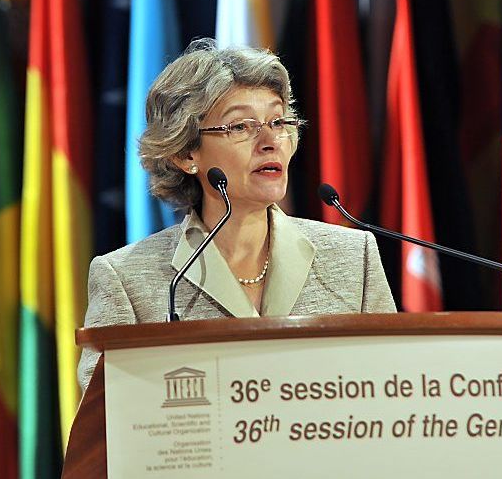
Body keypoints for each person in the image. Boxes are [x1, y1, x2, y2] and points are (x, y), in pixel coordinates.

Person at [78, 39, 395, 390]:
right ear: (186, 155)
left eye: (278, 121)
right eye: (241, 126)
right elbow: (105, 430)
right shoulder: (127, 280)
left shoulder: (354, 258)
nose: (270, 140)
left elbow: (389, 394)